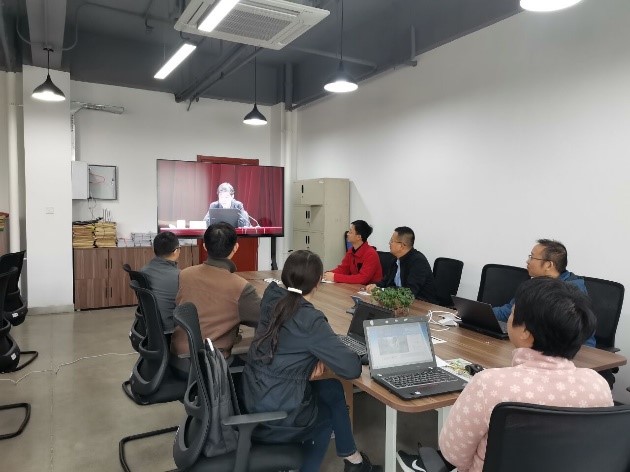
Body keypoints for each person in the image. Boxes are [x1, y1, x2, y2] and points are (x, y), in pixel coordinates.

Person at [421, 278, 613, 472]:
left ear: (525, 332)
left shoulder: (489, 384)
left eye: (512, 313)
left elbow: (454, 454)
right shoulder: (598, 385)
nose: (509, 318)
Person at [240, 250, 382, 472]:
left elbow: (290, 340)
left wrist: (314, 354)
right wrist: (323, 351)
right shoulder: (310, 320)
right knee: (325, 415)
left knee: (332, 388)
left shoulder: (271, 297)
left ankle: (352, 459)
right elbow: (352, 369)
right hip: (278, 408)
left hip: (254, 392)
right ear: (318, 282)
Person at [170, 222, 260, 357]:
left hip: (177, 355)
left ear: (205, 246)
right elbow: (264, 318)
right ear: (236, 247)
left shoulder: (185, 274)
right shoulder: (240, 287)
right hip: (211, 363)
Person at [492, 238, 595, 347]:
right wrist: (483, 314)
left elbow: (566, 333)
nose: (527, 261)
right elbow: (510, 311)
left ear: (548, 265)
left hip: (577, 349)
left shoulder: (570, 292)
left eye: (532, 257)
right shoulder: (535, 284)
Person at [366, 226, 438, 304]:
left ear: (402, 246)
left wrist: (383, 291)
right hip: (399, 302)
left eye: (392, 241)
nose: (389, 243)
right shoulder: (395, 259)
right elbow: (385, 282)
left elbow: (409, 293)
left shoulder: (418, 262)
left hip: (421, 305)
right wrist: (375, 286)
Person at [140, 231, 180, 334]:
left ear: (154, 249)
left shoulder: (144, 271)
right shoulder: (180, 276)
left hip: (151, 327)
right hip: (171, 329)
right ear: (176, 251)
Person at [323, 220, 383, 284]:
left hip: (369, 288)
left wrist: (335, 277)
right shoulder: (351, 251)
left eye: (350, 232)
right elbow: (343, 269)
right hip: (355, 287)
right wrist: (326, 274)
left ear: (359, 237)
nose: (347, 234)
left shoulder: (371, 254)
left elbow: (362, 279)